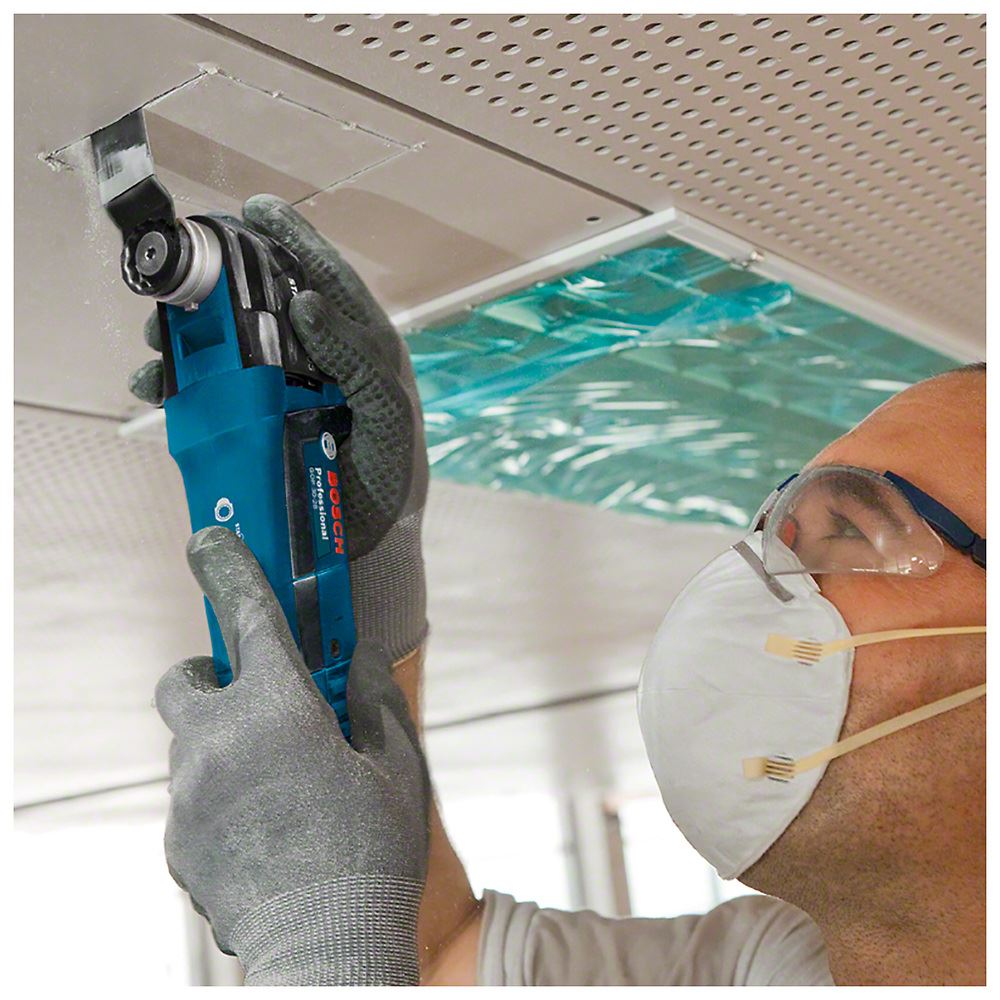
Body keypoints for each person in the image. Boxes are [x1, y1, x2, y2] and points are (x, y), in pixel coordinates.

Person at [129, 197, 986, 986]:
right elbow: (436, 957)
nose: (761, 572)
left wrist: (319, 952)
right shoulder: (764, 968)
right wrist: (359, 592)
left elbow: (371, 952)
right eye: (774, 525)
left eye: (855, 529)